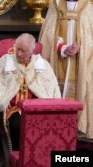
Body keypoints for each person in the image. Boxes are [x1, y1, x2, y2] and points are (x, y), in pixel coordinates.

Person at [0, 33, 61, 161]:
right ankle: (18, 159)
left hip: (37, 109)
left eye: (24, 51)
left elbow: (52, 88)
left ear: (32, 51)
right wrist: (2, 101)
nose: (19, 54)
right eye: (18, 49)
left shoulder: (42, 65)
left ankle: (37, 159)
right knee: (18, 125)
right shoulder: (5, 61)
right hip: (14, 109)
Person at [39, 0, 93, 140]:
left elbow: (89, 35)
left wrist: (80, 46)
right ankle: (56, 129)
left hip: (81, 64)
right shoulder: (55, 5)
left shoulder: (87, 6)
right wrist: (62, 48)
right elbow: (48, 36)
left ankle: (79, 130)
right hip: (59, 61)